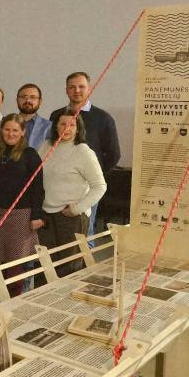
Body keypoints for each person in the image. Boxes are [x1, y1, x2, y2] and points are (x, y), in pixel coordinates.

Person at [49, 72, 120, 237]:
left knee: (84, 234)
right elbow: (51, 145)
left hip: (86, 191)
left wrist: (93, 177)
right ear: (66, 90)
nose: (77, 91)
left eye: (81, 87)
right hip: (57, 189)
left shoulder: (103, 118)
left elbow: (114, 154)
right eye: (72, 87)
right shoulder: (56, 116)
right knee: (58, 235)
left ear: (89, 89)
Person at [0, 114, 44, 297]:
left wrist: (37, 215)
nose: (11, 134)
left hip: (20, 215)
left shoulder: (30, 155)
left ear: (23, 132)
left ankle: (14, 297)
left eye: (15, 130)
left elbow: (38, 187)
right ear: (1, 130)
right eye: (7, 129)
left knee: (15, 259)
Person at [38, 110, 107, 277]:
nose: (66, 128)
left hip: (70, 217)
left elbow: (100, 186)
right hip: (46, 215)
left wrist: (76, 209)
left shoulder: (83, 151)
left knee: (69, 269)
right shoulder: (47, 146)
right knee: (45, 268)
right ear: (55, 126)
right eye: (62, 124)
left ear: (78, 128)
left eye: (72, 125)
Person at [16, 83, 51, 150]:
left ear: (40, 101)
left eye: (33, 97)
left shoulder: (49, 127)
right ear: (17, 100)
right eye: (23, 97)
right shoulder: (4, 124)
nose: (28, 100)